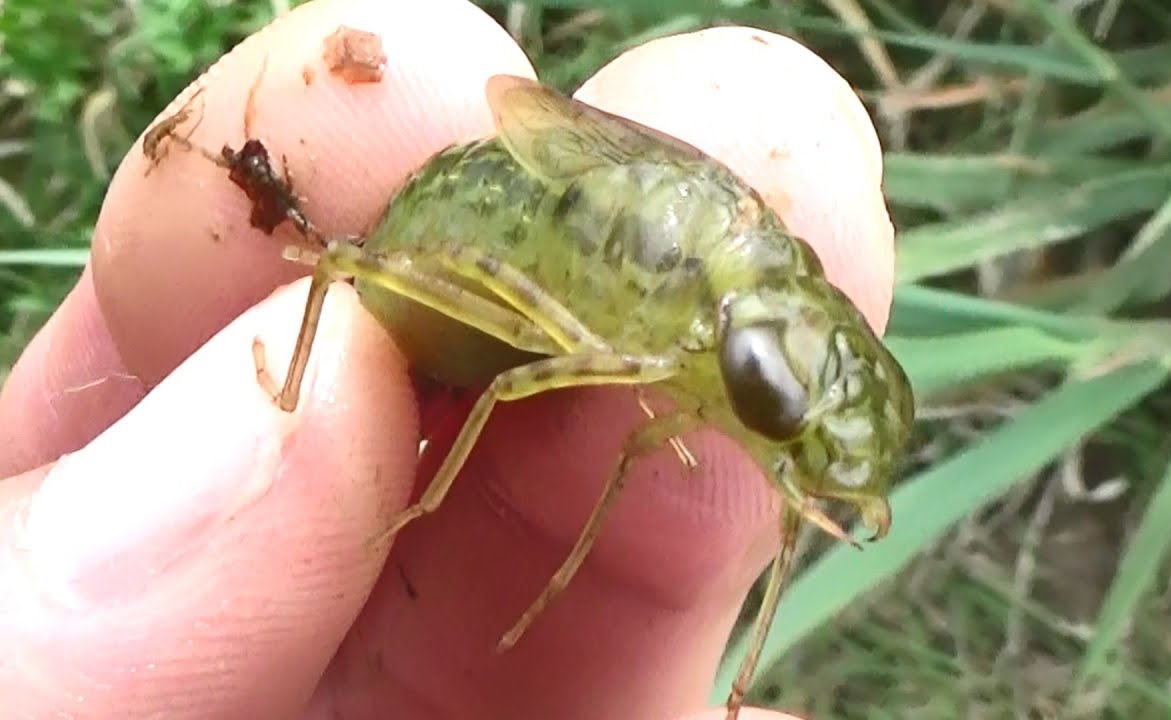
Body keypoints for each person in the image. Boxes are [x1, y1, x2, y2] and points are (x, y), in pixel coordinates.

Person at [0, 0, 897, 717]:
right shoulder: (702, 330)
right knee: (351, 271)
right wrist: (416, 507)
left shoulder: (733, 330)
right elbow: (517, 381)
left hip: (613, 240)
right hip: (474, 215)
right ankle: (307, 418)